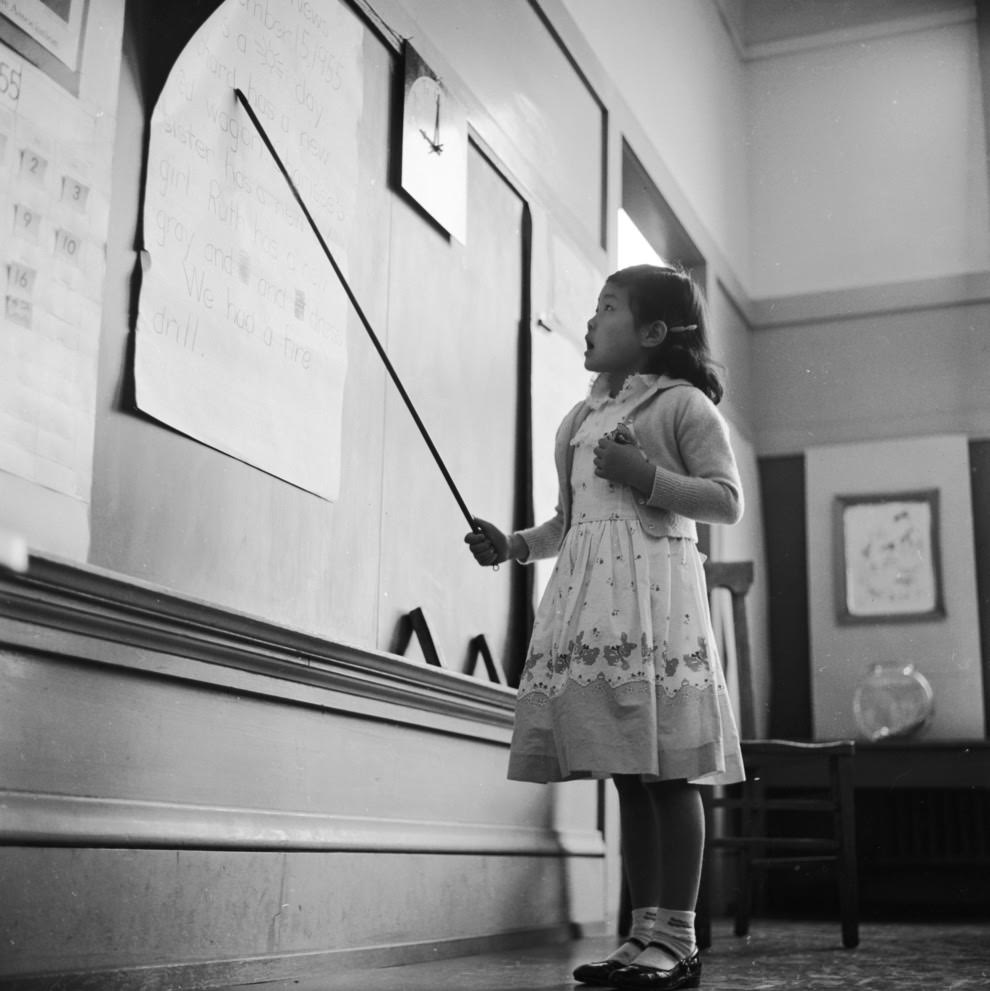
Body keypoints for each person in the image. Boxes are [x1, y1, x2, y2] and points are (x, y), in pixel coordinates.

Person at [465, 264, 745, 990]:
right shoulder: (580, 418)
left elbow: (724, 500)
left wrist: (644, 472)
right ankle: (642, 932)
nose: (591, 322)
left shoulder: (681, 406)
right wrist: (516, 544)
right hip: (599, 609)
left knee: (670, 771)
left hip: (658, 610)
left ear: (652, 332)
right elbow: (572, 521)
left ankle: (677, 937)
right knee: (628, 771)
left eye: (607, 308)